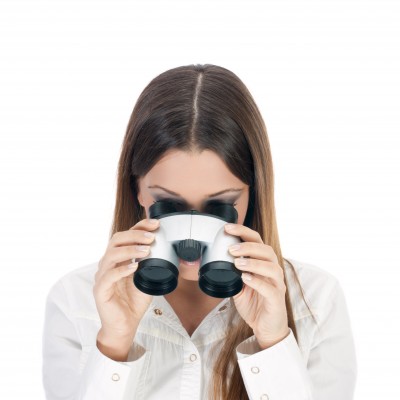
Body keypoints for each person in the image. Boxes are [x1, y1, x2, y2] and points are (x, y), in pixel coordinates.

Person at [42, 64, 357, 400]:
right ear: (136, 189)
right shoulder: (76, 302)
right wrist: (115, 343)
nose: (192, 231)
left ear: (254, 193)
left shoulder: (314, 301)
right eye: (167, 204)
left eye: (220, 206)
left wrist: (274, 341)